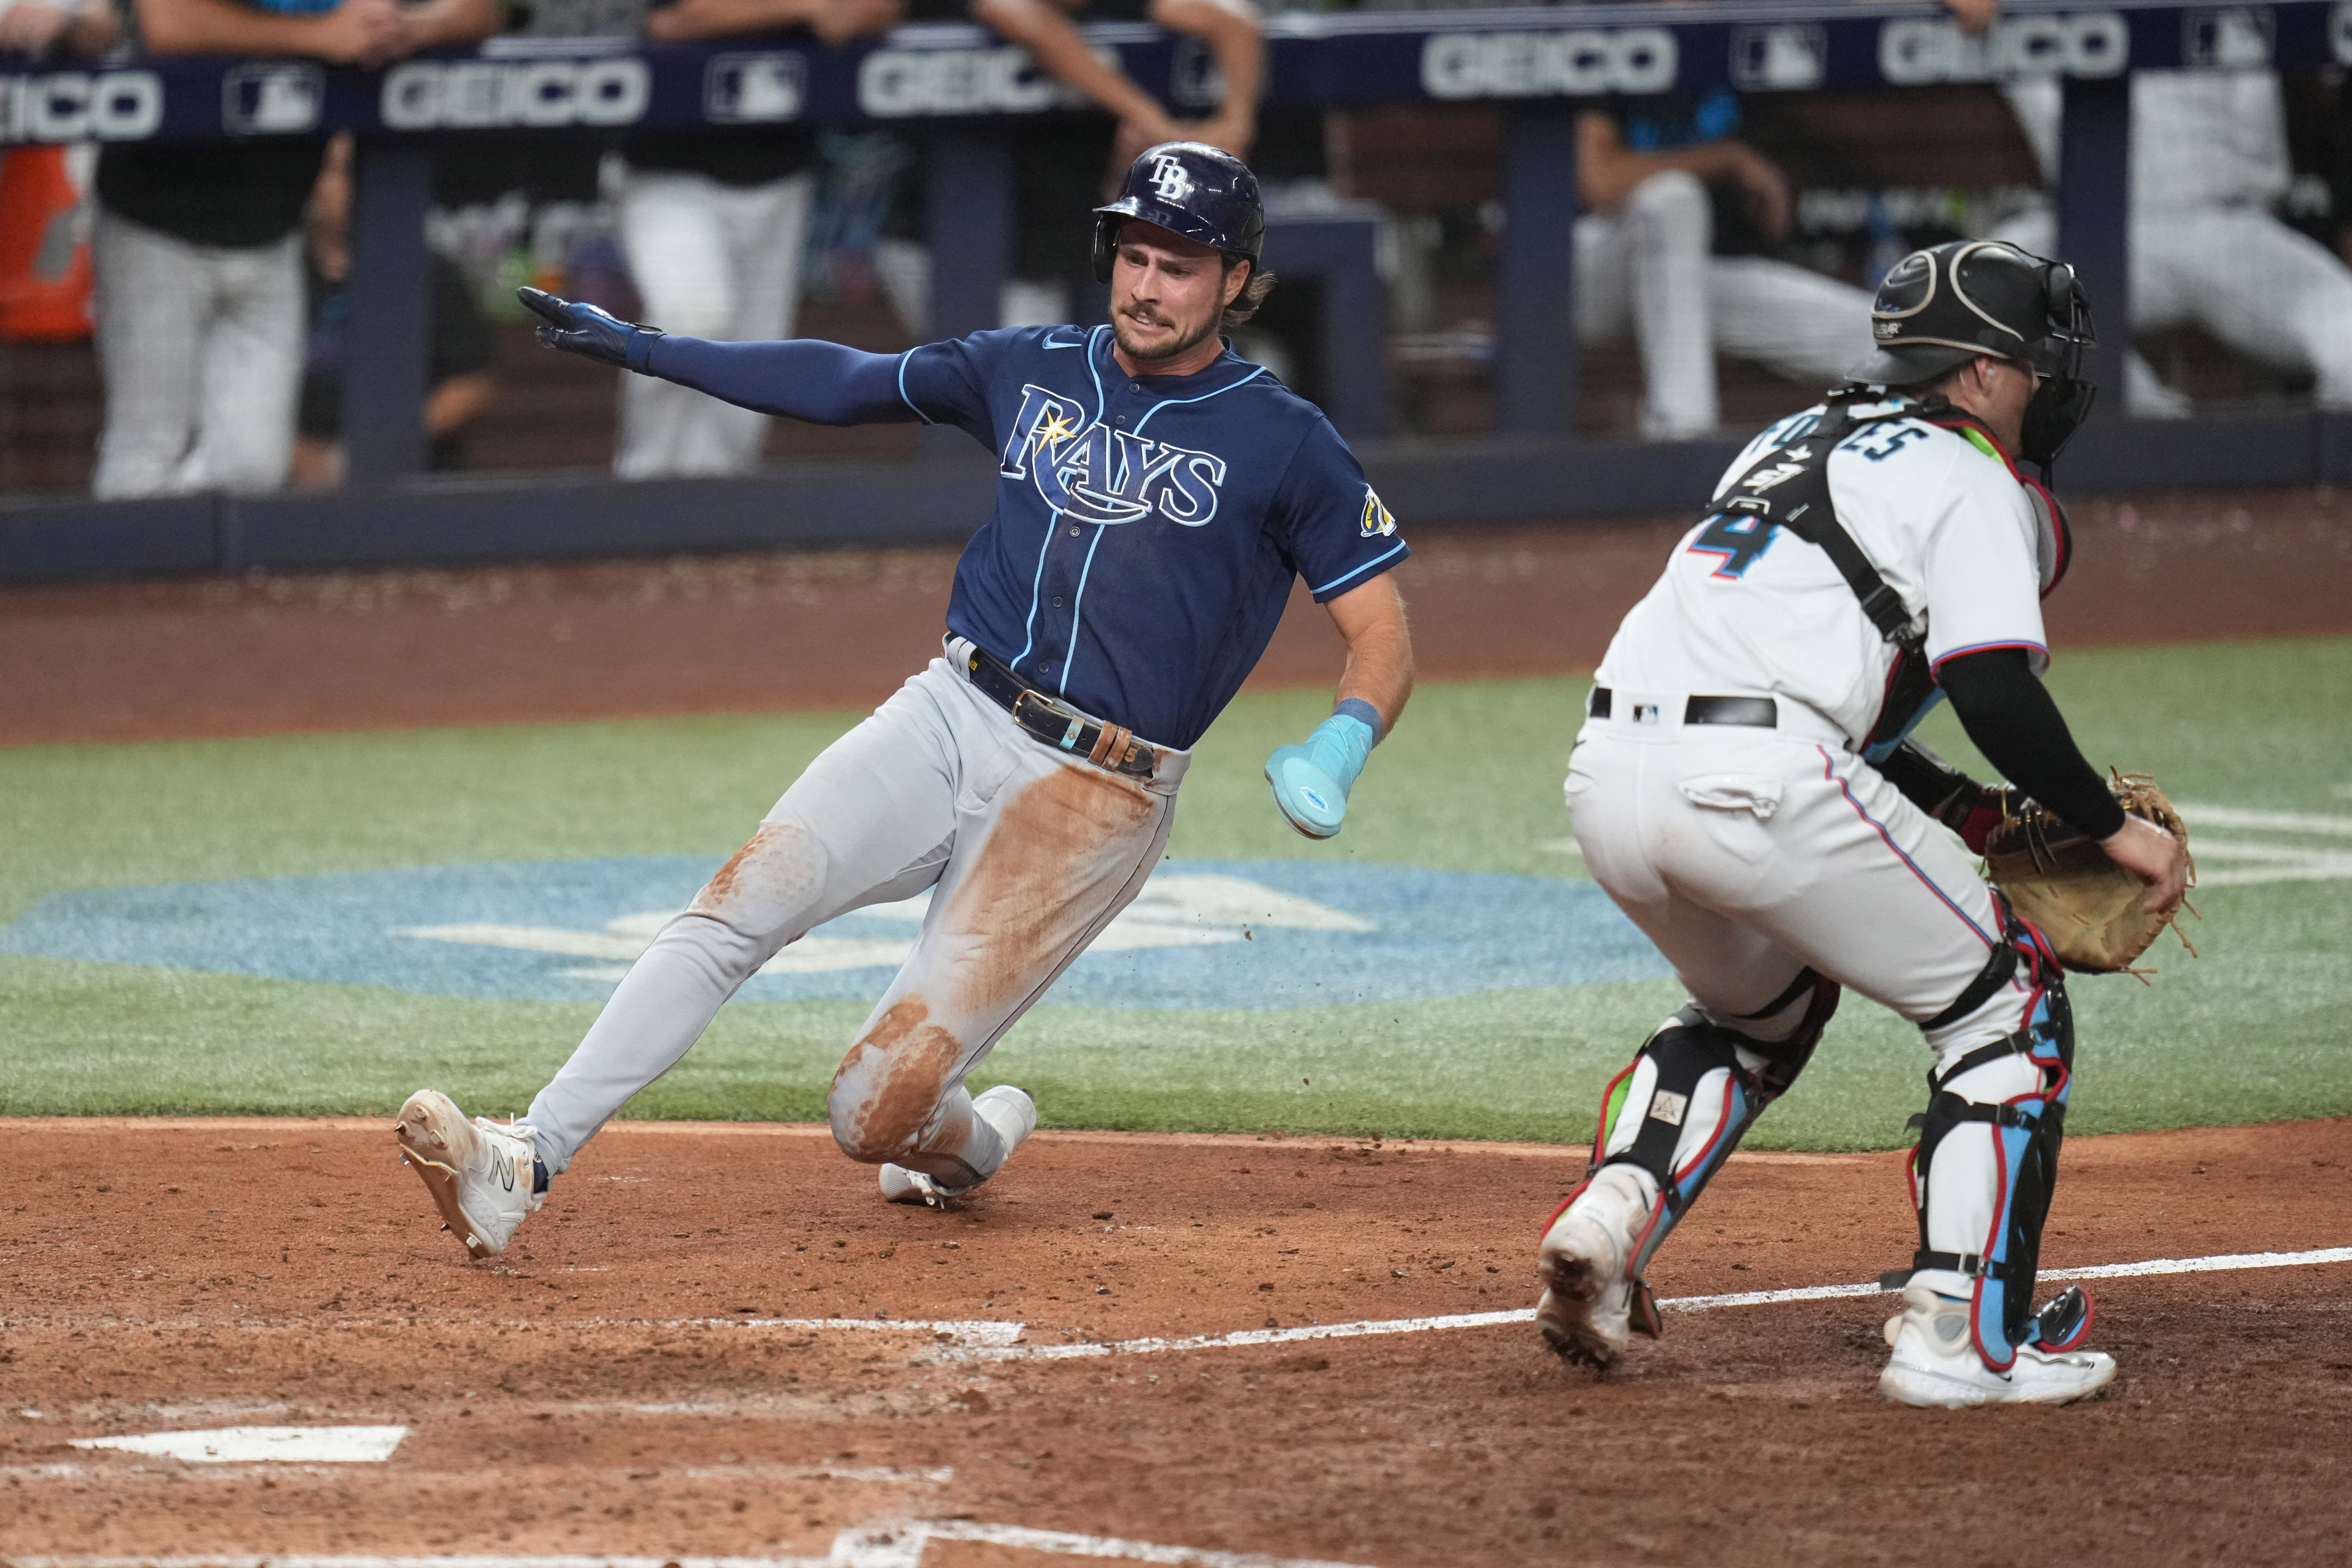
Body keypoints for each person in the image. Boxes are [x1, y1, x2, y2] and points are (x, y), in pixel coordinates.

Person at [394, 143, 1415, 1254]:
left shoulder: (1286, 442)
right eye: (1133, 256)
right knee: (739, 903)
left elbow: (1381, 633)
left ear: (1235, 278)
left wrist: (1342, 742)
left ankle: (969, 1144)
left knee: (869, 1116)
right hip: (949, 712)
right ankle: (524, 1162)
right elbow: (845, 383)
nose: (1146, 285)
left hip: (1093, 797)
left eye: (1179, 265)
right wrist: (651, 351)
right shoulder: (1028, 367)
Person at [1535, 240, 2189, 1406]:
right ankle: (1959, 1343)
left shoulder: (1786, 439)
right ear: (1984, 373)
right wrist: (2109, 825)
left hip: (1607, 772)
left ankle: (1609, 1219)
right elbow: (1988, 685)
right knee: (2007, 1004)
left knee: (1757, 1013)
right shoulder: (1976, 475)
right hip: (1760, 777)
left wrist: (1972, 814)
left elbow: (1845, 696)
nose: (2051, 380)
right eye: (2037, 359)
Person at [90, 0, 499, 498]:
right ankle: (126, 567)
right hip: (158, 220)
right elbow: (168, 23)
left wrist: (406, 29)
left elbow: (481, 12)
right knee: (146, 452)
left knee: (252, 468)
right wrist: (320, 36)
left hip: (273, 230)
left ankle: (190, 564)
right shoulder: (315, 30)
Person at [612, 0, 900, 479]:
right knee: (690, 315)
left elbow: (875, 9)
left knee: (755, 354)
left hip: (779, 169)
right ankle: (644, 486)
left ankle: (720, 502)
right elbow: (673, 19)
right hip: (671, 165)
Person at [872, 0, 1261, 334]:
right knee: (1017, 388)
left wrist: (1237, 125)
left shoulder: (1121, 7)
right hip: (940, 242)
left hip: (1046, 252)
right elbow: (1019, 17)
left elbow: (1231, 23)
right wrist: (1151, 118)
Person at [2002, 70, 2352, 415]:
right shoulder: (2017, 10)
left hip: (2233, 230)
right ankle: (2163, 439)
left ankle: (2304, 467)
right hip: (2096, 231)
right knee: (1990, 275)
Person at [1574, 87, 1876, 440]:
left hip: (1691, 283)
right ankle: (1681, 434)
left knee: (1885, 340)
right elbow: (1599, 182)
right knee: (1672, 199)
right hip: (1591, 274)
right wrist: (1728, 159)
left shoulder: (1735, 61)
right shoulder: (1628, 49)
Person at [292, 137, 497, 486]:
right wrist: (297, 454)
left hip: (417, 477)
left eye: (355, 172)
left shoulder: (429, 270)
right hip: (294, 482)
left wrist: (377, 450)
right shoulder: (280, 275)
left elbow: (473, 381)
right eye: (336, 172)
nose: (349, 186)